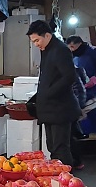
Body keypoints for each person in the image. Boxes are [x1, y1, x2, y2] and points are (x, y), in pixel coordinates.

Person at [26, 21, 79, 166]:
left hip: (59, 108)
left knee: (60, 149)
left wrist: (49, 94)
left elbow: (69, 77)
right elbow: (47, 77)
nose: (36, 44)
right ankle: (56, 181)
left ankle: (65, 183)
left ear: (47, 35)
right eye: (33, 42)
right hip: (49, 109)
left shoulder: (60, 49)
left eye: (37, 40)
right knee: (52, 148)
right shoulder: (47, 49)